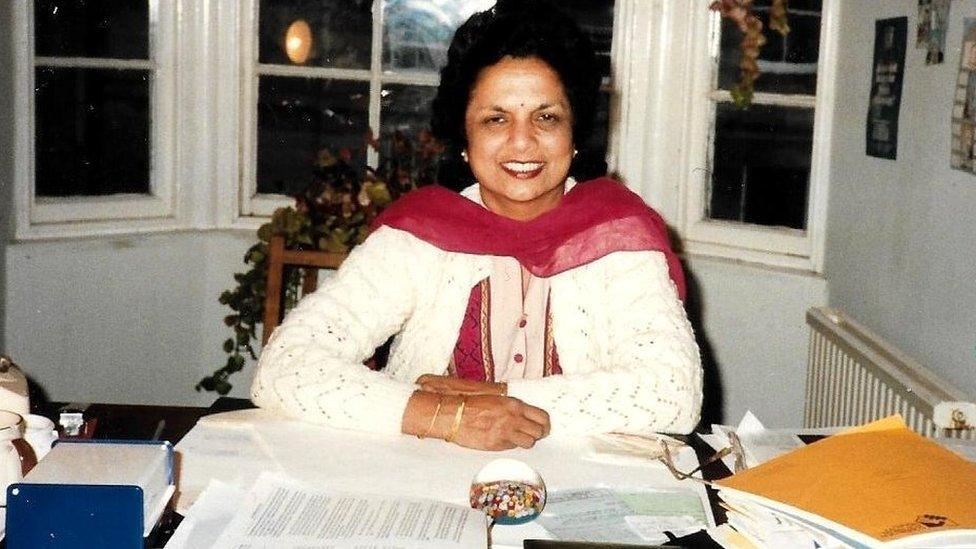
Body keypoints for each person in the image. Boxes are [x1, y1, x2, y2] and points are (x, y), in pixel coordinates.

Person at [251, 0, 702, 451]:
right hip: (424, 489)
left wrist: (500, 401)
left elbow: (673, 391)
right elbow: (285, 365)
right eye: (495, 119)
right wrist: (446, 417)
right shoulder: (416, 237)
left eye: (546, 117)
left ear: (575, 135)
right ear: (464, 141)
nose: (522, 142)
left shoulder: (619, 239)